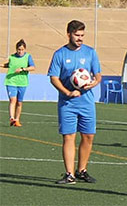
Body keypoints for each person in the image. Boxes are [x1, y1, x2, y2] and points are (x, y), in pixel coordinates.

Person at [47, 20, 102, 184]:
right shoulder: (60, 54)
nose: (80, 38)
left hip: (87, 103)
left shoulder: (90, 52)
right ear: (69, 34)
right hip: (67, 104)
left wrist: (95, 82)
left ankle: (82, 170)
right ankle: (69, 174)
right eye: (77, 35)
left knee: (88, 136)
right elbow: (53, 78)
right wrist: (67, 92)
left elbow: (98, 75)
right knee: (69, 137)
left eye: (82, 35)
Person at [3, 39, 35, 127]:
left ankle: (17, 120)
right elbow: (8, 65)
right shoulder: (12, 57)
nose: (20, 51)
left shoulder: (28, 57)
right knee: (13, 100)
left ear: (25, 49)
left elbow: (32, 67)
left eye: (22, 50)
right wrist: (2, 65)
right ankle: (12, 118)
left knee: (19, 102)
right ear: (16, 49)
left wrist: (23, 69)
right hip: (11, 81)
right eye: (19, 50)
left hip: (22, 82)